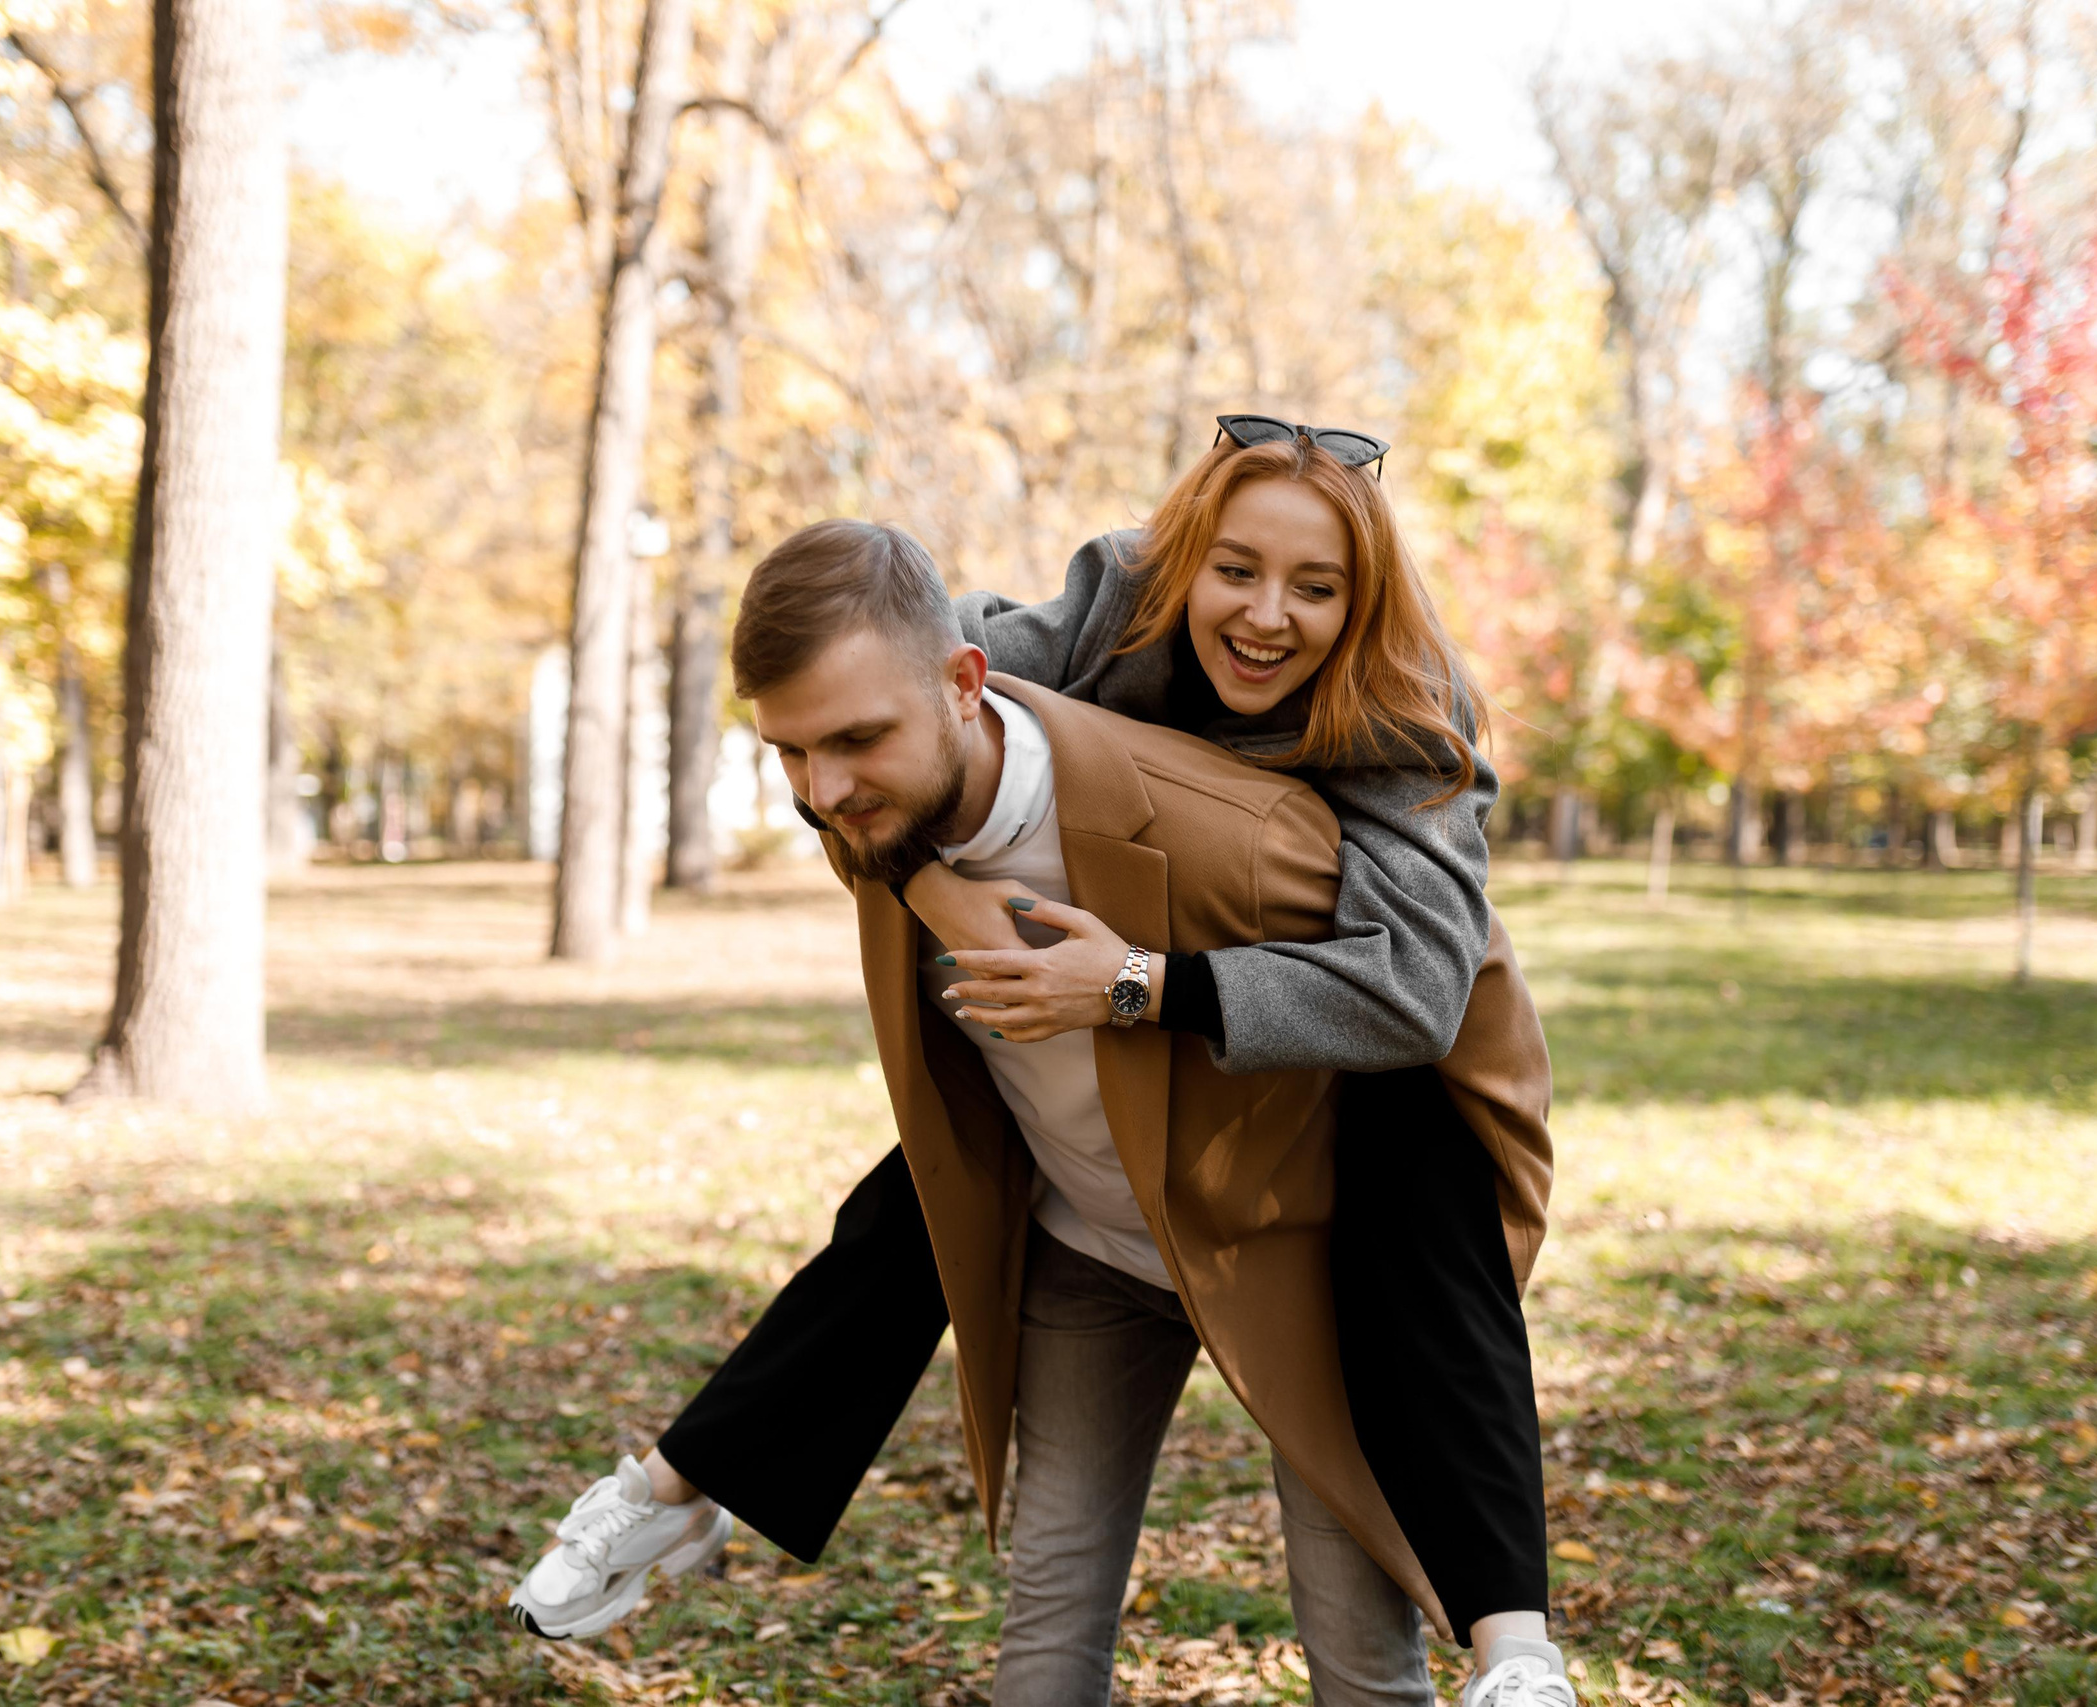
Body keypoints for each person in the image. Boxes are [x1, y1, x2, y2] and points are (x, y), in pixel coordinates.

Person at [512, 425, 1568, 1704]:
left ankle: (1515, 1647)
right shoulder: (1108, 610)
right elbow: (887, 724)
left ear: (1364, 602)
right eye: (1234, 570)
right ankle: (685, 1484)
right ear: (1184, 562)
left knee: (1412, 1220)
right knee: (930, 1200)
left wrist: (1132, 983)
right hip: (1118, 1141)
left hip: (1325, 1103)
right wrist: (941, 891)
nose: (1266, 616)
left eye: (1316, 587)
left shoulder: (1405, 702)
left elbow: (1415, 991)